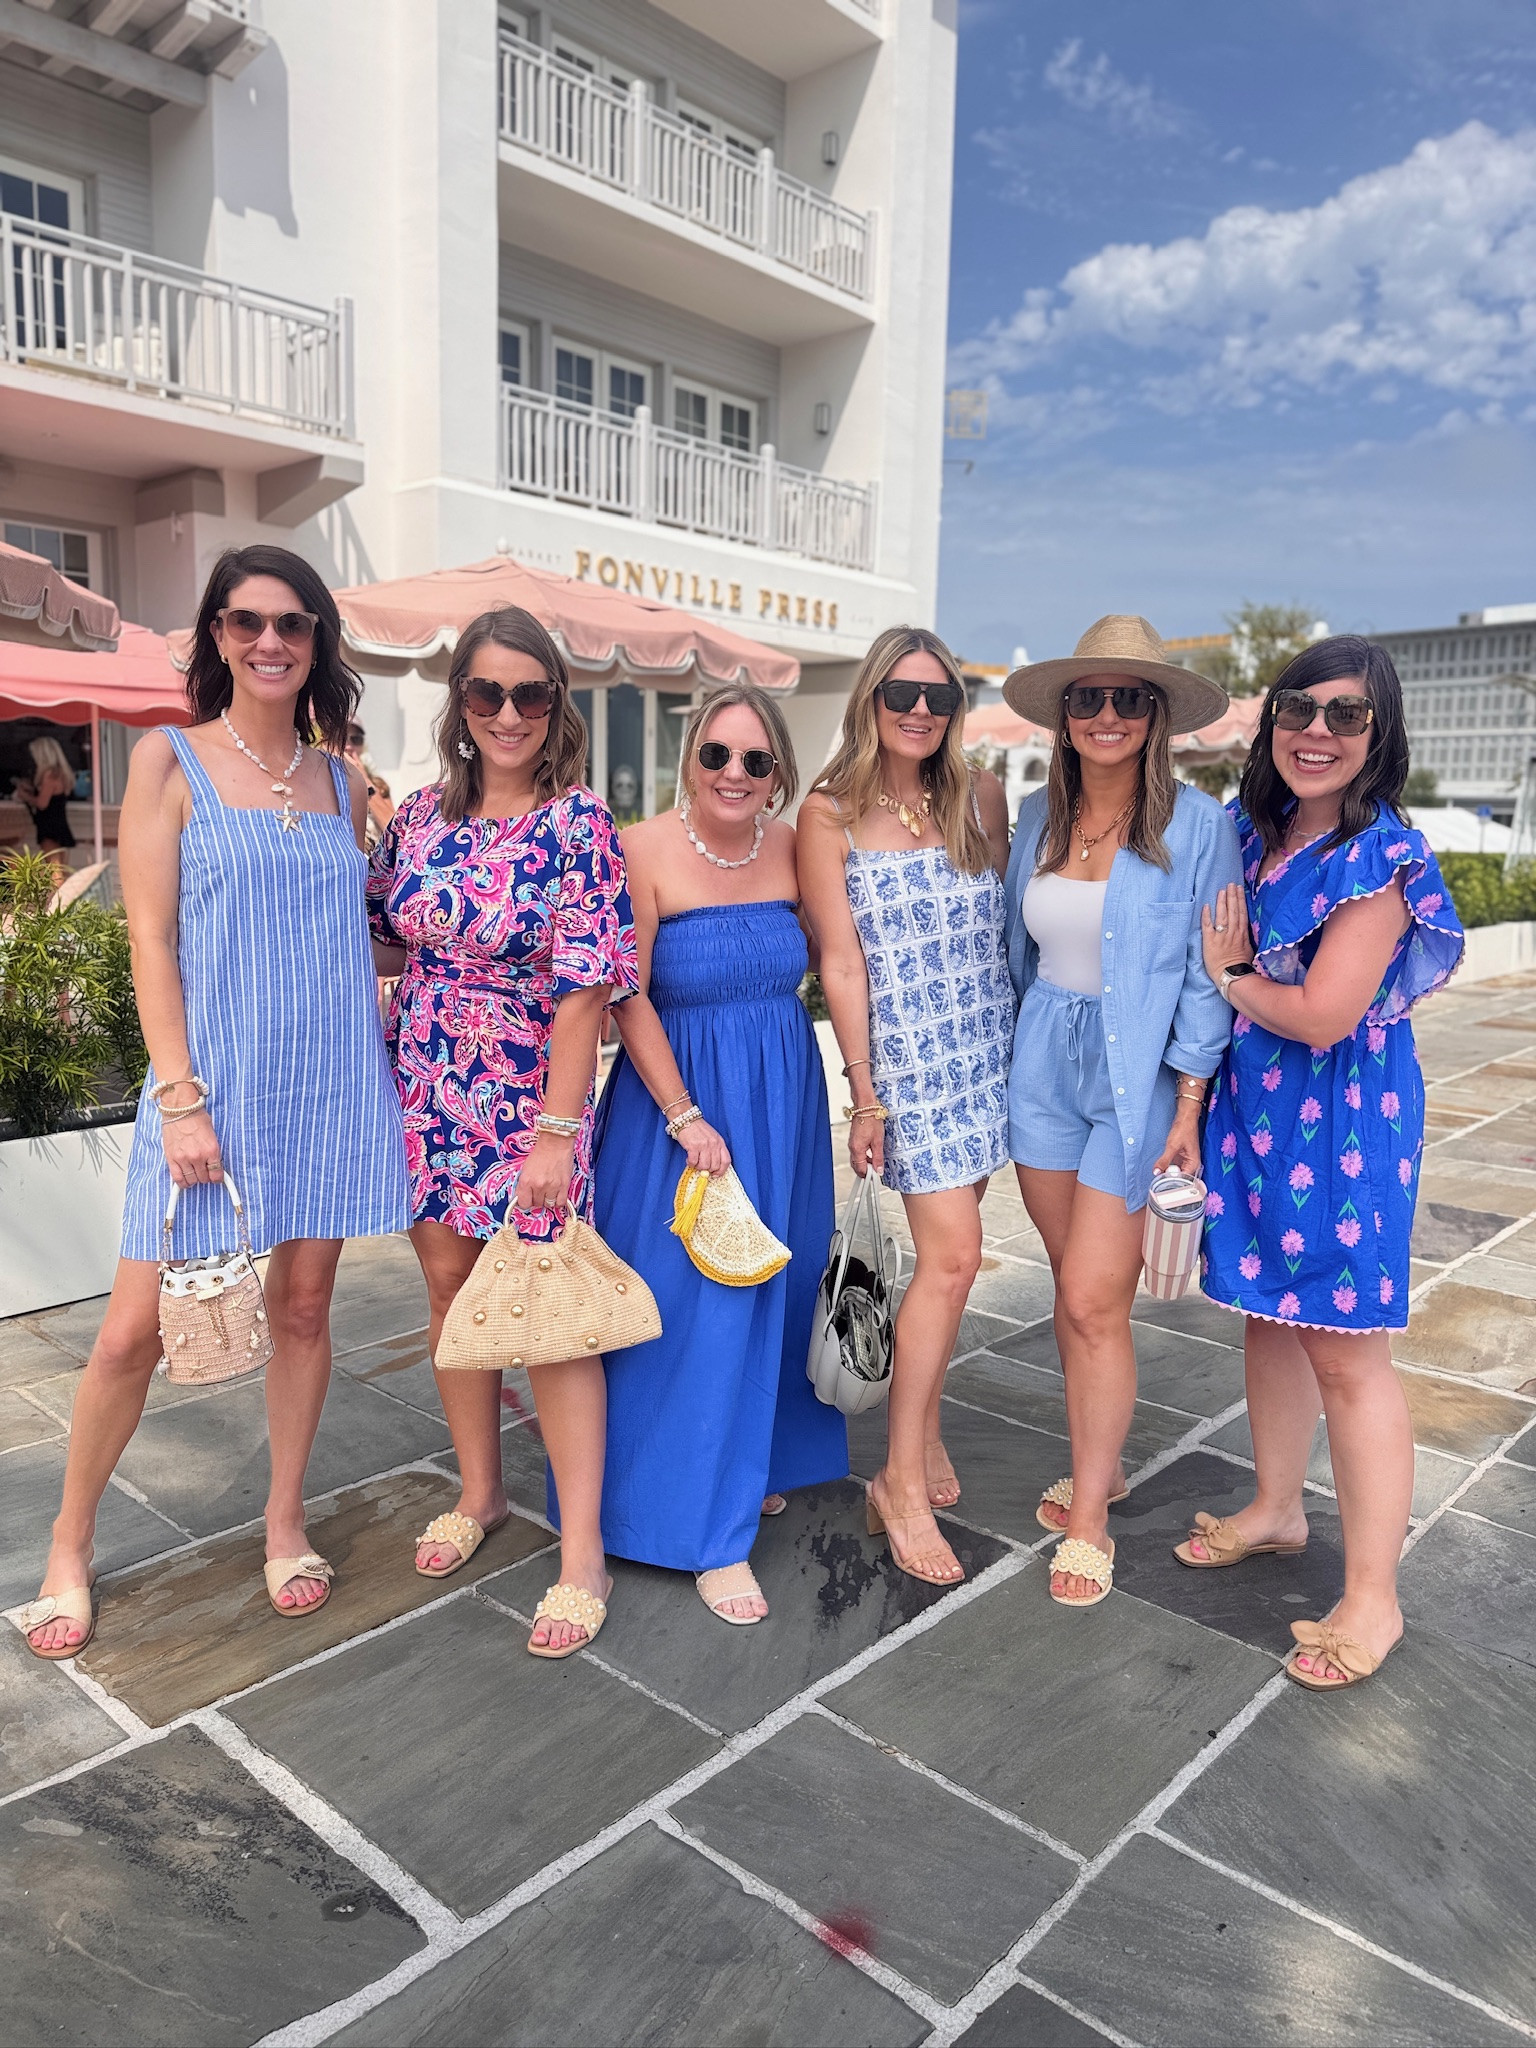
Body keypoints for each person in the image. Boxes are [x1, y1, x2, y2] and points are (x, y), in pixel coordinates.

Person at [16, 544, 412, 1658]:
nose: (270, 640)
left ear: (318, 640)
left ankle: (284, 1521)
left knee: (304, 1309)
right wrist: (181, 1098)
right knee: (130, 1333)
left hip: (330, 1081)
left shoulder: (342, 782)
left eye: (292, 622)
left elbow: (353, 937)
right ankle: (69, 1541)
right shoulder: (169, 758)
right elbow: (149, 938)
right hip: (211, 1085)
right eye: (247, 621)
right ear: (219, 637)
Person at [1185, 636, 1463, 1690]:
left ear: (1378, 732)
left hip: (1344, 1120)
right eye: (1298, 709)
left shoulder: (1378, 856)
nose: (1316, 731)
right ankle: (1276, 1507)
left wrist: (1229, 974)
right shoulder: (1251, 832)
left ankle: (1375, 1597)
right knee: (1269, 1313)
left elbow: (1323, 1014)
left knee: (1346, 1353)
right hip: (1260, 1113)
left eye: (1347, 714)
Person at [368, 606, 636, 1659]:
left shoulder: (578, 823)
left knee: (553, 1315)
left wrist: (557, 1135)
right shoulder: (419, 817)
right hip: (426, 1089)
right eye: (488, 691)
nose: (509, 712)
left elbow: (587, 988)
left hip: (529, 1094)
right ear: (461, 703)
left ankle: (583, 1552)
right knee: (450, 1291)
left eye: (531, 692)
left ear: (556, 704)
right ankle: (479, 1491)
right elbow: (382, 934)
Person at [589, 685, 848, 1624]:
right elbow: (625, 992)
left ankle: (747, 1461)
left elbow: (835, 955)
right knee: (694, 1307)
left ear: (777, 774)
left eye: (755, 760)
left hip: (781, 1096)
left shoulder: (793, 846)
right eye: (717, 755)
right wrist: (683, 1114)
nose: (734, 774)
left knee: (774, 1288)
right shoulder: (642, 848)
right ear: (689, 759)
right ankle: (700, 1529)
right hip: (680, 1109)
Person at [1002, 616, 1241, 1608]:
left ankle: (1091, 1518)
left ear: (1157, 716)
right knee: (1073, 1292)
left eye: (1129, 697)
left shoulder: (1200, 825)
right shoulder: (1033, 815)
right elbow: (1017, 952)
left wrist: (1189, 1097)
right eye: (1088, 697)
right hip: (1042, 1068)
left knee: (1097, 1301)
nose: (1108, 714)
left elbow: (1210, 973)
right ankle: (1097, 1463)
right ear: (1064, 714)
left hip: (1137, 1076)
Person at [799, 626, 1013, 1587]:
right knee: (955, 1258)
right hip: (908, 1068)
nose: (921, 710)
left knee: (945, 1270)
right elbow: (840, 962)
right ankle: (899, 1480)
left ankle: (920, 1436)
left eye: (940, 695)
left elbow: (999, 932)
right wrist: (863, 1092)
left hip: (987, 1050)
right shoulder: (829, 814)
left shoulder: (979, 797)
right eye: (902, 694)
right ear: (870, 701)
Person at [16, 735, 78, 861]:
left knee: (53, 868)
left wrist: (25, 797)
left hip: (49, 827)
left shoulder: (50, 775)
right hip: (59, 824)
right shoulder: (60, 773)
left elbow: (42, 803)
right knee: (61, 866)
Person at [343, 721, 395, 849]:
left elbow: (396, 832)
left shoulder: (379, 786)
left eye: (356, 739)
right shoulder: (321, 785)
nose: (348, 746)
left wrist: (364, 780)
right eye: (341, 738)